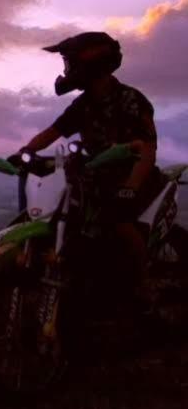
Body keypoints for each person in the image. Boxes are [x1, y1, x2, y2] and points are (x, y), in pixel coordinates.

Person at [18, 31, 163, 309]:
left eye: (70, 64)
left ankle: (144, 286)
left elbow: (147, 149)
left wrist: (130, 187)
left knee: (119, 221)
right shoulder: (83, 105)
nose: (67, 71)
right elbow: (53, 132)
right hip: (95, 180)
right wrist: (25, 151)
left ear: (93, 65)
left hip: (133, 179)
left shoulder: (131, 100)